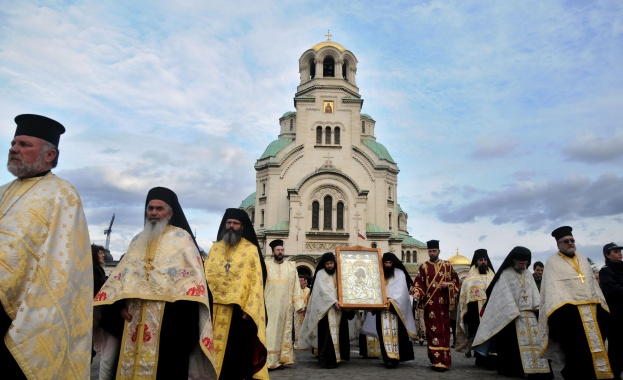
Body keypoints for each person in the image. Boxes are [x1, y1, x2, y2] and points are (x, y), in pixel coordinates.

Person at [0, 114, 93, 379]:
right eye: (14, 143)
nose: (14, 149)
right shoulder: (2, 190)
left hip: (21, 312)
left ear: (49, 155)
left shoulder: (62, 193)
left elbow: (63, 262)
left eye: (24, 144)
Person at [94, 187, 215, 379]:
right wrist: (118, 306)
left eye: (159, 208)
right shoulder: (137, 241)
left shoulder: (182, 240)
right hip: (133, 319)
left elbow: (193, 284)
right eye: (150, 208)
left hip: (169, 322)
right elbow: (120, 280)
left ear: (170, 213)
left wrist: (181, 323)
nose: (154, 213)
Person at [538, 226, 613, 380]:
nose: (570, 243)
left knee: (595, 352)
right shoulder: (552, 262)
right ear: (558, 244)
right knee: (576, 353)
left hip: (592, 314)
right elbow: (552, 293)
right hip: (570, 320)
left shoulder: (583, 258)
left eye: (572, 240)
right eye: (566, 241)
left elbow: (593, 286)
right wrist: (561, 319)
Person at [204, 208, 268, 379]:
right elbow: (205, 274)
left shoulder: (251, 249)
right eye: (229, 223)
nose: (231, 226)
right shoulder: (215, 248)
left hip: (237, 313)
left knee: (234, 356)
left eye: (235, 223)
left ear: (242, 226)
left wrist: (250, 308)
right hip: (213, 309)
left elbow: (256, 280)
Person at [473, 246, 553, 379]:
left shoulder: (527, 273)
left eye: (526, 263)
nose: (523, 266)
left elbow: (534, 292)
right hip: (513, 317)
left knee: (536, 343)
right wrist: (514, 310)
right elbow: (502, 297)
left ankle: (539, 370)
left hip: (531, 316)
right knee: (513, 347)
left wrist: (537, 306)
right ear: (514, 261)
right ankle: (515, 369)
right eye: (521, 263)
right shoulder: (506, 274)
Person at [413, 240, 460, 371]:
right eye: (430, 251)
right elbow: (419, 283)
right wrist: (417, 292)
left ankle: (444, 361)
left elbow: (456, 281)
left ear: (439, 251)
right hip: (430, 306)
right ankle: (436, 360)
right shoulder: (423, 267)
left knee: (444, 333)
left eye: (434, 251)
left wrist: (449, 285)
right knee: (432, 332)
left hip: (443, 306)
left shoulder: (447, 266)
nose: (431, 253)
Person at [297, 252, 350, 369]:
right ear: (324, 264)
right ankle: (326, 360)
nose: (330, 266)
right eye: (328, 263)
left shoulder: (338, 273)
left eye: (331, 263)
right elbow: (322, 291)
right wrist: (333, 301)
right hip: (325, 311)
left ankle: (336, 358)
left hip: (338, 310)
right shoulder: (320, 274)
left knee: (338, 335)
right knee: (326, 337)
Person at [264, 239, 305, 370]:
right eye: (278, 250)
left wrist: (298, 303)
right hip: (269, 306)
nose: (280, 252)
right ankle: (269, 360)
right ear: (273, 252)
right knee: (270, 333)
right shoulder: (266, 265)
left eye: (282, 250)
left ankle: (282, 359)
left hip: (285, 307)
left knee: (284, 333)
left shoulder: (291, 266)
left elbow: (296, 286)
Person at [375, 252, 417, 368]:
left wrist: (392, 301)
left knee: (396, 334)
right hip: (382, 309)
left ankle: (396, 357)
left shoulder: (399, 273)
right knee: (383, 334)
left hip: (395, 309)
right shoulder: (379, 273)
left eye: (390, 263)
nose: (388, 265)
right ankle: (387, 357)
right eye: (386, 263)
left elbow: (402, 291)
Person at [455, 248, 495, 366]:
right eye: (480, 260)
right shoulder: (469, 278)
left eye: (485, 260)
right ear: (476, 262)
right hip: (475, 314)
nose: (483, 262)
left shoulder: (493, 276)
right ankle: (480, 359)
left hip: (491, 311)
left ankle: (492, 358)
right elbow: (464, 297)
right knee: (478, 336)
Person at [599, 242, 623, 379]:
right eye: (615, 251)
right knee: (617, 349)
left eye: (619, 250)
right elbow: (613, 290)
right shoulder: (605, 271)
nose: (619, 253)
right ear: (607, 255)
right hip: (615, 318)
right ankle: (615, 374)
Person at [294, 275, 311, 349]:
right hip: (298, 312)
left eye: (301, 280)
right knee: (297, 328)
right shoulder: (296, 291)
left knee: (306, 328)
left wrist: (306, 309)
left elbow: (310, 301)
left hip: (306, 312)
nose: (299, 282)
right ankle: (298, 344)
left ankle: (306, 344)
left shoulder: (308, 290)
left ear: (305, 281)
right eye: (299, 280)